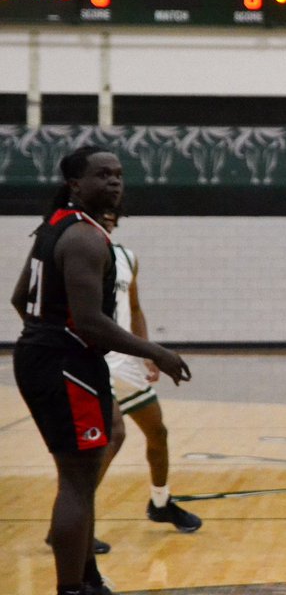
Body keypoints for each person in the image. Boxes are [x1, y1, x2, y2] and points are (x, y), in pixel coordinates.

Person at [11, 146, 191, 595]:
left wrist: (45, 335)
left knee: (107, 438)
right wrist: (158, 353)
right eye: (102, 175)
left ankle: (87, 576)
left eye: (118, 175)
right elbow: (90, 321)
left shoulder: (57, 227)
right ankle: (73, 587)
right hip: (65, 363)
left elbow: (20, 298)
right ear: (75, 183)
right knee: (77, 479)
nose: (114, 182)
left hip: (53, 357)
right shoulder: (85, 239)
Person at [93, 209, 202, 536]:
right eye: (101, 212)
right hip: (95, 358)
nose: (108, 216)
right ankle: (73, 520)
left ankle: (160, 502)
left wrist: (147, 353)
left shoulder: (127, 257)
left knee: (158, 431)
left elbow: (136, 309)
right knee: (112, 437)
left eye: (112, 212)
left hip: (126, 359)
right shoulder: (78, 251)